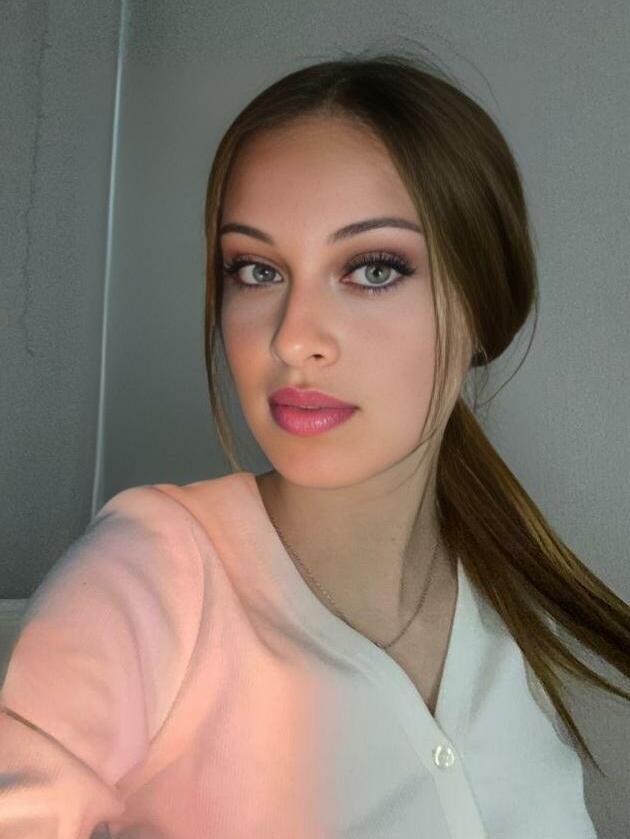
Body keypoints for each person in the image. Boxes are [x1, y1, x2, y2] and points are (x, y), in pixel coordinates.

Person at [1, 49, 628, 838]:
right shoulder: (153, 577)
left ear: (481, 305)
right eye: (257, 270)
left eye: (373, 269)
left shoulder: (506, 608)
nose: (294, 339)